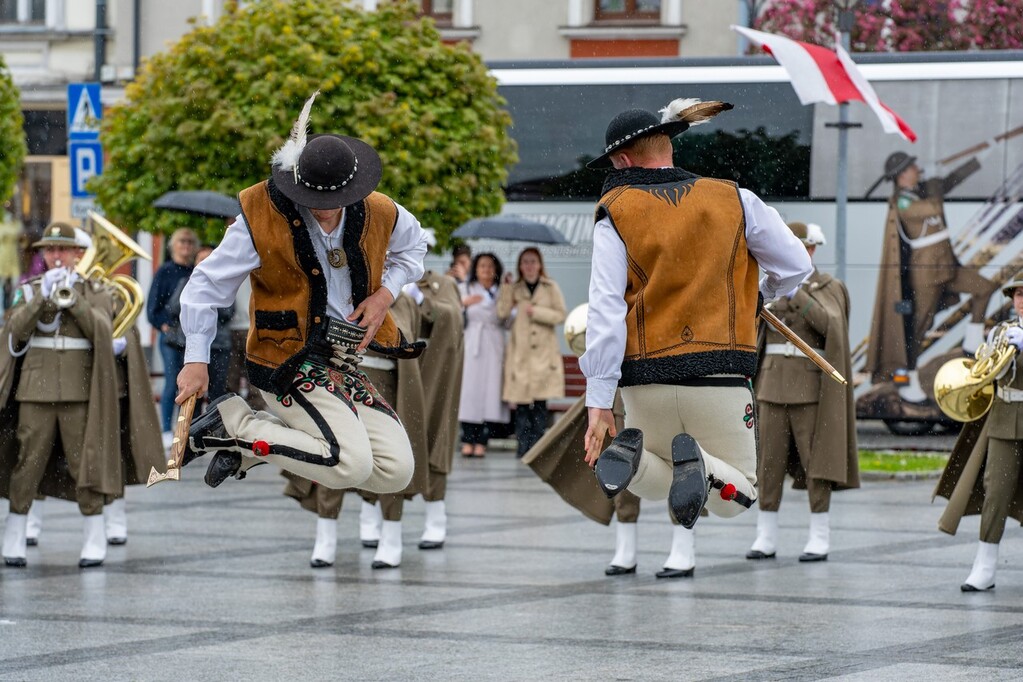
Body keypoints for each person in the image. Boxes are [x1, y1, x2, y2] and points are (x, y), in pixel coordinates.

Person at [174, 91, 428, 494]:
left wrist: (386, 294)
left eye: (336, 200)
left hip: (344, 359)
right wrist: (195, 359)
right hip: (286, 356)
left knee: (395, 471)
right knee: (347, 464)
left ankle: (246, 443)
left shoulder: (382, 210)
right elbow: (204, 287)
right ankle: (234, 422)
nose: (324, 208)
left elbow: (415, 250)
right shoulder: (259, 213)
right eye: (314, 199)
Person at [580, 99, 812, 530]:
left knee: (653, 478)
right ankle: (703, 464)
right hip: (718, 376)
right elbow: (796, 265)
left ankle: (635, 462)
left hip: (646, 381)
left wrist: (599, 402)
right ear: (668, 146)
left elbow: (605, 309)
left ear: (621, 159)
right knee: (738, 492)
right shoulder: (735, 198)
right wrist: (760, 295)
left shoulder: (613, 212)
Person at [0, 222, 153, 568]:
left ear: (76, 254)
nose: (55, 256)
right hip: (34, 391)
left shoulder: (95, 289)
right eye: (49, 250)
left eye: (62, 249)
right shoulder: (29, 289)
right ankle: (15, 534)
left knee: (86, 462)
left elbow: (102, 330)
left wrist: (75, 300)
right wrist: (42, 298)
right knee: (28, 463)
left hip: (80, 391)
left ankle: (94, 535)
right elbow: (15, 331)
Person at [747, 221, 858, 563]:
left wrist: (799, 296)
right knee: (768, 463)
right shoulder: (769, 285)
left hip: (809, 388)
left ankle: (819, 535)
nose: (805, 253)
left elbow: (831, 327)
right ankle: (765, 535)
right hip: (771, 384)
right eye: (798, 246)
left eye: (808, 248)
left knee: (816, 463)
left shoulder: (827, 285)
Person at [865, 151, 997, 402]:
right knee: (917, 329)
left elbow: (952, 180)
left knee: (985, 288)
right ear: (903, 174)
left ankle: (973, 338)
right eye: (913, 166)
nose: (918, 168)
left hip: (947, 267)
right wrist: (935, 184)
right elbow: (931, 207)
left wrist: (981, 156)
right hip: (925, 274)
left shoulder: (923, 190)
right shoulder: (902, 201)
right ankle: (908, 379)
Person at [934, 275, 1023, 591]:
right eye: (1017, 294)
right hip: (1004, 420)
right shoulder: (1002, 330)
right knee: (995, 492)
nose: (1021, 300)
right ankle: (985, 566)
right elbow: (985, 372)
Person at [497, 247, 567, 458]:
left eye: (533, 261)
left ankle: (537, 450)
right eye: (525, 262)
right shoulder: (515, 288)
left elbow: (561, 315)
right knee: (522, 406)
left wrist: (536, 312)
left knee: (539, 404)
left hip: (544, 355)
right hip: (521, 355)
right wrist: (506, 290)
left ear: (540, 264)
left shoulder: (550, 286)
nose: (529, 266)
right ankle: (523, 448)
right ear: (520, 265)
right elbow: (501, 313)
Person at [146, 227, 198, 441]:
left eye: (189, 242)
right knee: (171, 383)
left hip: (192, 336)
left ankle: (188, 429)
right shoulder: (165, 271)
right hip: (170, 338)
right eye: (181, 241)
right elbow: (152, 308)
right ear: (173, 245)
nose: (185, 246)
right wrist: (164, 325)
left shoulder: (196, 270)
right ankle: (167, 430)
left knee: (193, 385)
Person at [457, 252, 509, 457]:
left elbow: (508, 318)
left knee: (490, 392)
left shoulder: (502, 292)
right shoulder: (465, 288)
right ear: (475, 269)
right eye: (482, 266)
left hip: (494, 343)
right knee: (469, 392)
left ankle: (482, 440)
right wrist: (465, 303)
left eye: (490, 266)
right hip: (472, 342)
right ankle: (467, 438)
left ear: (496, 270)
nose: (486, 270)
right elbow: (451, 309)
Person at [191, 244, 234, 402]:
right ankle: (192, 425)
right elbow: (175, 308)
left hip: (219, 344)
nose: (205, 262)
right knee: (193, 389)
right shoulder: (187, 282)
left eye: (209, 259)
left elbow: (228, 312)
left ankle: (214, 425)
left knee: (218, 388)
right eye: (202, 259)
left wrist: (206, 304)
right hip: (197, 345)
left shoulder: (224, 285)